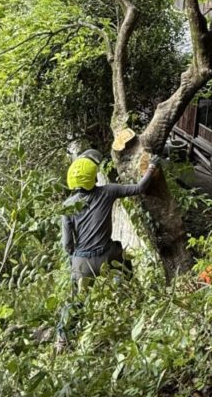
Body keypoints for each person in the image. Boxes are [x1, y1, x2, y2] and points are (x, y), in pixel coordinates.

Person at [57, 148, 163, 348]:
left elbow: (67, 245)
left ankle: (63, 339)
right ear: (93, 177)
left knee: (76, 300)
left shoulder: (67, 206)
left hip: (82, 262)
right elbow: (139, 188)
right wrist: (152, 166)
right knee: (124, 265)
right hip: (107, 256)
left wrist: (76, 258)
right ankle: (136, 305)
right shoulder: (108, 192)